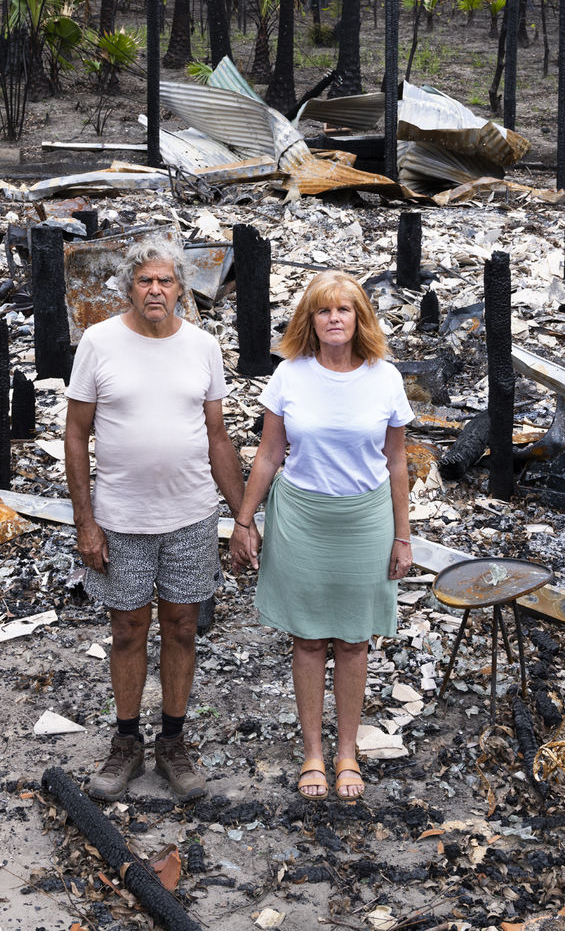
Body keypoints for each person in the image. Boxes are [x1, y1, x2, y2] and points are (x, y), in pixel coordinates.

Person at [66, 236, 244, 802]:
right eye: (145, 280)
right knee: (126, 630)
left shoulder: (203, 347)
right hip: (120, 518)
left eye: (166, 280)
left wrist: (243, 516)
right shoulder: (99, 342)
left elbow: (218, 438)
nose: (156, 290)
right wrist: (85, 522)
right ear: (129, 287)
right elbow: (75, 434)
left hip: (191, 515)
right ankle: (125, 742)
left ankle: (172, 740)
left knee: (183, 627)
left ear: (181, 288)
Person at [229, 270, 413, 801]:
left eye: (345, 310)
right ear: (310, 319)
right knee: (308, 639)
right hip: (302, 518)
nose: (335, 318)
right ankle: (313, 751)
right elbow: (268, 455)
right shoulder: (291, 374)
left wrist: (403, 536)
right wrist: (245, 522)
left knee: (355, 639)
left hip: (365, 519)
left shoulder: (385, 377)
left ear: (360, 319)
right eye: (324, 310)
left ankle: (347, 751)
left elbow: (396, 461)